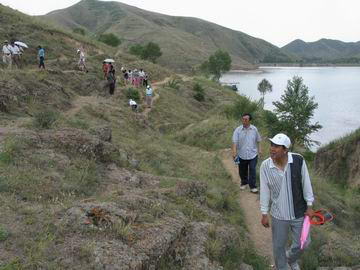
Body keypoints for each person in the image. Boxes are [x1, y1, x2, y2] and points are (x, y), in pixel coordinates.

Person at [260, 133, 315, 270]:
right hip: (279, 214)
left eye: (277, 146)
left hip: (299, 212)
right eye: (272, 145)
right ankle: (281, 266)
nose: (272, 148)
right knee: (278, 247)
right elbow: (265, 191)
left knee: (303, 243)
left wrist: (309, 205)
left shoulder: (298, 160)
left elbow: (306, 183)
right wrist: (264, 213)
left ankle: (290, 259)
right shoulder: (265, 166)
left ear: (285, 150)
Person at [231, 113, 262, 193]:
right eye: (243, 119)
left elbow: (258, 140)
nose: (244, 121)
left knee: (252, 169)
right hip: (241, 154)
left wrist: (260, 150)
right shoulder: (238, 130)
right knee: (242, 170)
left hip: (253, 154)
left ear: (249, 121)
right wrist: (234, 152)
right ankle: (244, 182)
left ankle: (253, 186)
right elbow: (234, 142)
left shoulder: (254, 129)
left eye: (246, 119)